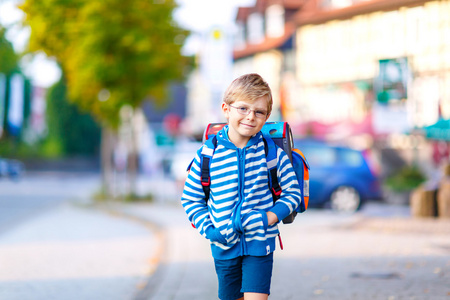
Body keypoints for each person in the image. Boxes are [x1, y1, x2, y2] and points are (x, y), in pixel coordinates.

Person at [181, 73, 301, 300]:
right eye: (243, 109)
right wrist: (210, 231)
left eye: (259, 112)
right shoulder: (208, 154)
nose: (250, 117)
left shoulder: (270, 152)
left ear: (266, 116)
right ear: (226, 109)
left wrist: (269, 218)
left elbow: (292, 192)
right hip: (223, 245)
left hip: (260, 243)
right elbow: (191, 199)